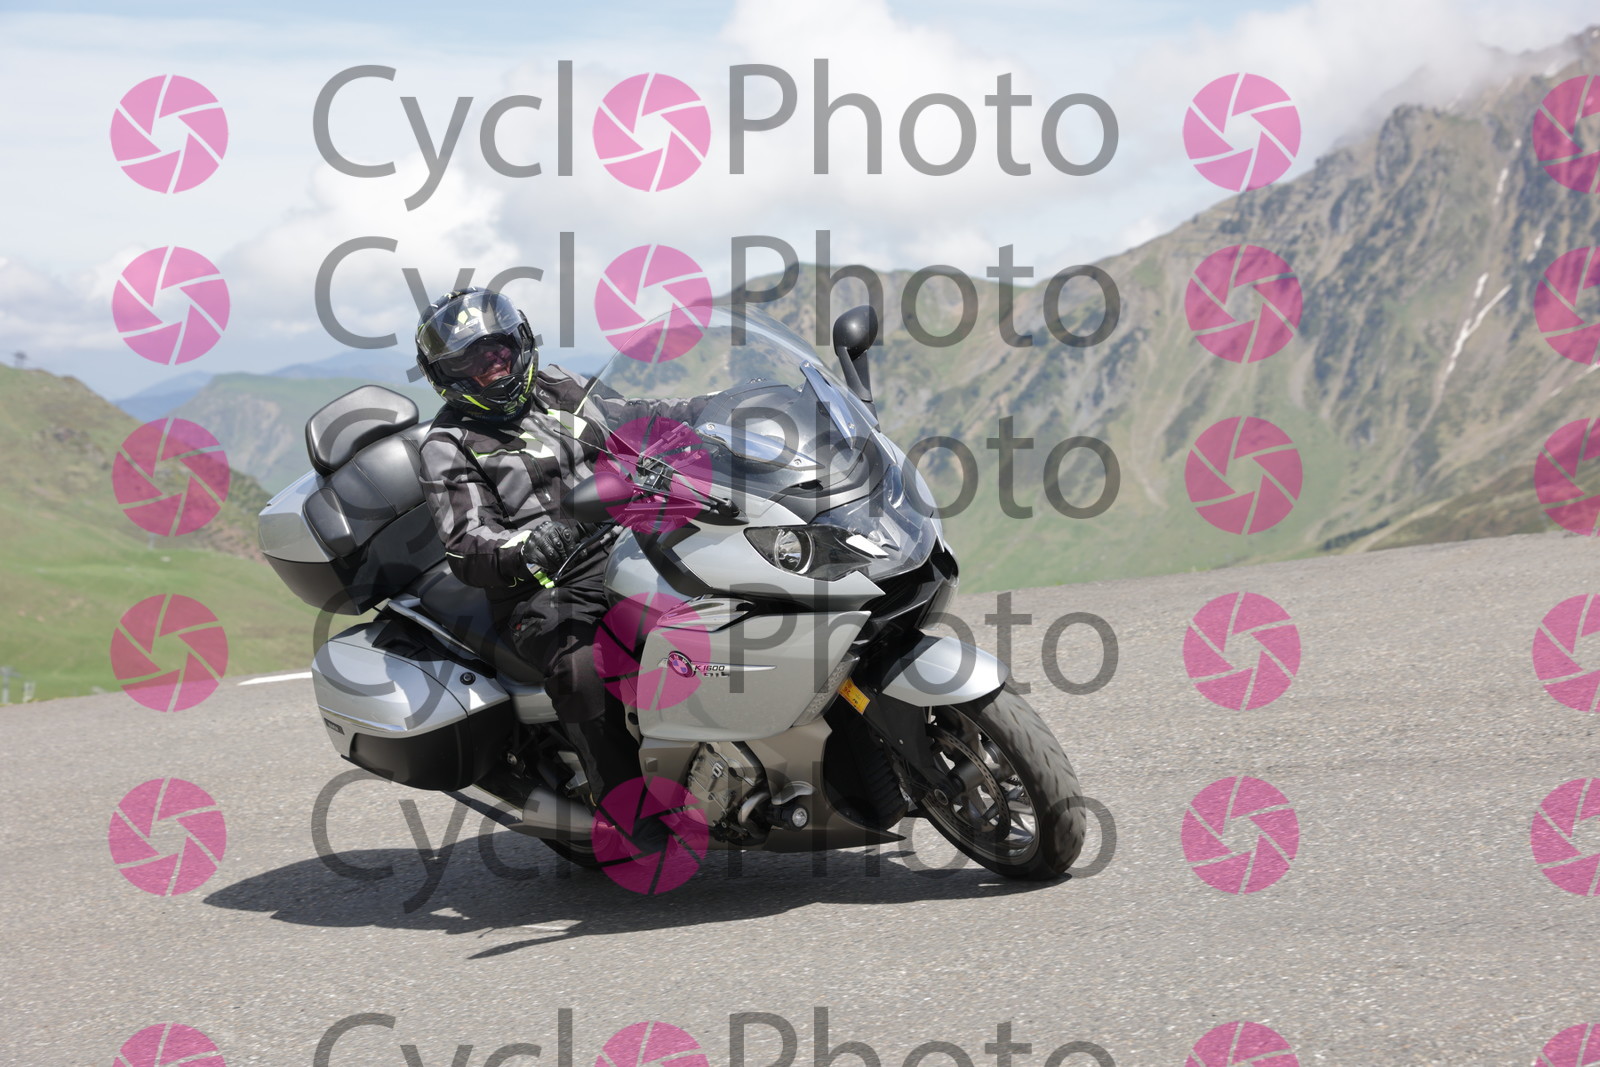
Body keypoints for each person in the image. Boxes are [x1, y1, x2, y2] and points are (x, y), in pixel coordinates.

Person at [413, 287, 703, 813]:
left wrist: (713, 409)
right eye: (473, 361)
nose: (494, 365)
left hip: (628, 541)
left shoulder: (559, 386)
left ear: (519, 343)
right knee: (583, 666)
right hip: (547, 586)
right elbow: (468, 543)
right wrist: (531, 546)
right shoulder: (448, 443)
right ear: (448, 376)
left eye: (498, 349)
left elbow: (638, 416)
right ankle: (630, 812)